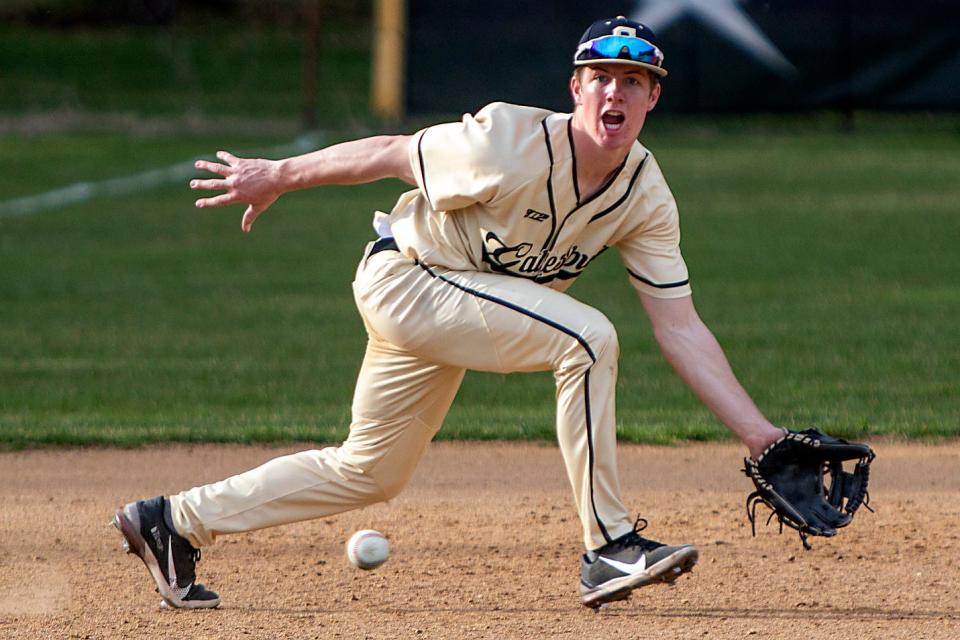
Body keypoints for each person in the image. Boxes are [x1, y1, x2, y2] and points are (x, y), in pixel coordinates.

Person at [113, 16, 785, 610]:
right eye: (601, 76)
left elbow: (679, 326)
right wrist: (278, 175)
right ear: (575, 88)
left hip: (454, 303)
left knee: (370, 471)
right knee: (585, 338)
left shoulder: (645, 194)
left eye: (633, 80)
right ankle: (609, 545)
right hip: (407, 279)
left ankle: (173, 522)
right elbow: (390, 153)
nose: (616, 92)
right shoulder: (507, 143)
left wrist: (760, 435)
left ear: (653, 97)